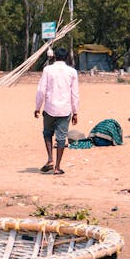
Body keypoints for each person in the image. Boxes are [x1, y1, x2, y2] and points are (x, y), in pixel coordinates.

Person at [35, 46, 80, 175]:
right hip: (65, 109)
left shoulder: (47, 70)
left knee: (47, 133)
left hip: (50, 107)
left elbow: (41, 90)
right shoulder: (72, 72)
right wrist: (75, 112)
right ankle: (57, 167)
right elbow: (75, 93)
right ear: (67, 58)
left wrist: (37, 107)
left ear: (55, 57)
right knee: (61, 138)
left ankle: (50, 159)